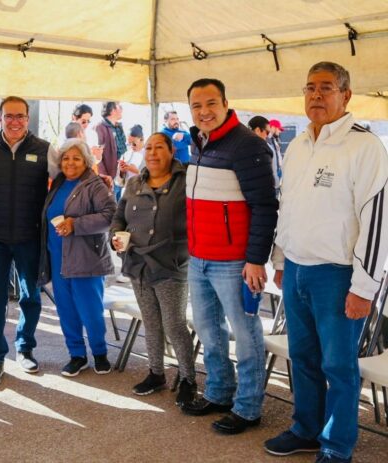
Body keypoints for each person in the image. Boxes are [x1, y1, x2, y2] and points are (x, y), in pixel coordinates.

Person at [264, 62, 388, 463]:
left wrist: (364, 288)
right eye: (310, 88)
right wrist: (280, 259)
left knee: (338, 365)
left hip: (338, 276)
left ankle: (336, 446)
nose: (316, 95)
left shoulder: (365, 147)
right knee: (303, 358)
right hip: (296, 268)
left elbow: (378, 221)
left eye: (326, 88)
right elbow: (287, 206)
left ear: (346, 95)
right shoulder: (299, 144)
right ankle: (306, 430)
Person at [181, 78, 278, 435]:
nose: (204, 111)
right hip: (199, 258)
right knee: (209, 332)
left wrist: (256, 259)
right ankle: (219, 392)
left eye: (211, 103)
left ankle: (248, 407)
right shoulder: (199, 143)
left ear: (225, 103)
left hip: (235, 262)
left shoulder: (247, 145)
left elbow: (265, 206)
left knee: (246, 335)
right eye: (196, 105)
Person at [110, 132, 197, 406]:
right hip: (138, 264)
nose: (153, 153)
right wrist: (115, 237)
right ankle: (156, 373)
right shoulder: (134, 183)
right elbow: (119, 217)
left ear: (172, 151)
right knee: (151, 321)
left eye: (159, 147)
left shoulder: (186, 181)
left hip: (171, 264)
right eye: (148, 148)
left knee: (174, 324)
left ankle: (188, 378)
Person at [0, 95, 58, 388]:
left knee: (30, 296)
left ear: (27, 118)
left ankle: (25, 348)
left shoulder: (45, 149)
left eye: (20, 116)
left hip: (29, 236)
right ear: (0, 118)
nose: (15, 122)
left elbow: (65, 181)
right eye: (9, 116)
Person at [38, 139, 116, 376]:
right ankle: (77, 355)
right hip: (58, 258)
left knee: (90, 311)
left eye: (76, 158)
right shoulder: (58, 183)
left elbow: (110, 215)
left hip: (86, 258)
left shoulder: (94, 184)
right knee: (66, 311)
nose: (70, 163)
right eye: (66, 158)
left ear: (86, 161)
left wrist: (76, 224)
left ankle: (100, 353)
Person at [95, 101, 127, 199]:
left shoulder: (119, 127)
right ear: (113, 110)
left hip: (120, 177)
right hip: (109, 180)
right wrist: (105, 177)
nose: (122, 109)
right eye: (119, 106)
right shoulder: (100, 128)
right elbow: (97, 156)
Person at [248, 115, 281, 195]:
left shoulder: (240, 146)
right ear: (258, 130)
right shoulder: (264, 148)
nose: (267, 135)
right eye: (267, 132)